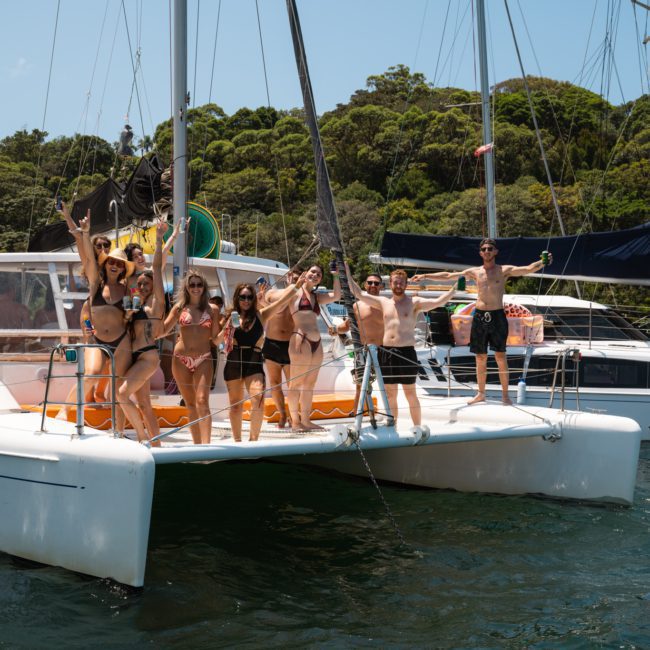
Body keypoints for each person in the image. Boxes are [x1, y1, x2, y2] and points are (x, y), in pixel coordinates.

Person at [412, 238, 553, 405]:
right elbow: (449, 275)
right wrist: (425, 275)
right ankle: (481, 393)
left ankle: (505, 395)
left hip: (497, 316)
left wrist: (542, 262)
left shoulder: (503, 270)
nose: (487, 251)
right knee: (480, 357)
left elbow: (527, 269)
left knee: (501, 356)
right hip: (479, 316)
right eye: (484, 249)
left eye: (490, 248)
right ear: (480, 253)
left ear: (495, 252)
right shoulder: (475, 272)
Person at [348, 268, 456, 426]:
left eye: (401, 282)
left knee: (410, 393)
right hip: (386, 352)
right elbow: (359, 293)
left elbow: (438, 302)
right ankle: (394, 425)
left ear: (406, 284)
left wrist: (454, 290)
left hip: (406, 352)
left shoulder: (414, 302)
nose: (398, 285)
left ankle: (417, 426)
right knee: (390, 394)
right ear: (390, 283)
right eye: (395, 282)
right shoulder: (383, 302)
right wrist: (346, 270)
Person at [221, 276, 305, 442]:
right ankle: (237, 441)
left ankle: (253, 441)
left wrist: (297, 287)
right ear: (237, 298)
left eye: (250, 297)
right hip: (234, 362)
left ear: (254, 299)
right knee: (236, 405)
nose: (246, 300)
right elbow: (215, 340)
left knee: (258, 398)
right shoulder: (229, 316)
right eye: (243, 297)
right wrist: (227, 327)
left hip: (254, 361)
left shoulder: (261, 315)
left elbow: (281, 303)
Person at [77, 213, 136, 429]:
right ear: (106, 263)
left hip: (122, 341)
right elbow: (88, 259)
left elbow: (131, 315)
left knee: (118, 387)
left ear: (123, 269)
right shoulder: (96, 284)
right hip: (97, 340)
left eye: (119, 264)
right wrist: (85, 233)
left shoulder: (127, 289)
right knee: (91, 374)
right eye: (111, 261)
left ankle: (118, 432)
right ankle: (77, 421)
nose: (115, 265)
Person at [117, 220, 167, 445]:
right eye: (140, 284)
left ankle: (141, 436)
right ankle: (157, 444)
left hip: (147, 357)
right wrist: (128, 315)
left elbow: (156, 268)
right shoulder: (137, 304)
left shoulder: (155, 303)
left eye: (147, 284)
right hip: (135, 358)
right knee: (144, 404)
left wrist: (158, 238)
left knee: (121, 394)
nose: (143, 286)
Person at [163, 270, 221, 444]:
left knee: (202, 400)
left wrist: (227, 330)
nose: (196, 288)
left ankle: (207, 445)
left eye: (199, 284)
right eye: (192, 285)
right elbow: (163, 330)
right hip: (180, 358)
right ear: (187, 288)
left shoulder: (213, 309)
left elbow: (216, 340)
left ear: (204, 287)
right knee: (190, 404)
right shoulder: (179, 308)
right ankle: (197, 445)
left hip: (204, 357)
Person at [283, 263, 341, 432]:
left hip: (317, 343)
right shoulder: (295, 292)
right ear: (305, 273)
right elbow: (280, 299)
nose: (315, 275)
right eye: (313, 271)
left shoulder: (317, 297)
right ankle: (295, 422)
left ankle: (306, 420)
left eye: (319, 274)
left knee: (310, 384)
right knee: (295, 384)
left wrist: (336, 275)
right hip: (300, 339)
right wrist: (293, 284)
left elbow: (337, 295)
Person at [329, 273, 385, 415]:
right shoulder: (356, 306)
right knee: (360, 384)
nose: (373, 285)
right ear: (365, 285)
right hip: (363, 350)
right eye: (370, 282)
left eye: (376, 283)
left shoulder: (386, 304)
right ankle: (357, 411)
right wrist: (335, 329)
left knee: (389, 384)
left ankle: (391, 412)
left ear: (381, 286)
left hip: (384, 350)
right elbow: (348, 326)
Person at [258, 265, 303, 428]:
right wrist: (260, 300)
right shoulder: (271, 293)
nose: (295, 282)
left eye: (298, 280)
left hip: (290, 345)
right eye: (293, 278)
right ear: (288, 277)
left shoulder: (300, 297)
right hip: (272, 343)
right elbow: (261, 311)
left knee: (293, 385)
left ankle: (293, 414)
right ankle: (282, 415)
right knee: (275, 383)